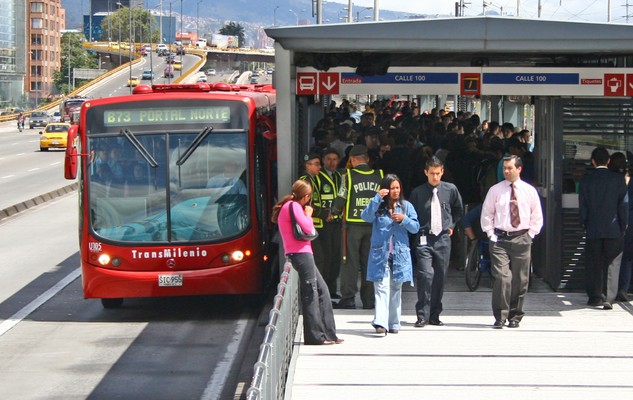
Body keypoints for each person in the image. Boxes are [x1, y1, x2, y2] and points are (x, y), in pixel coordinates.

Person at [271, 179, 343, 345]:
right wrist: (308, 214)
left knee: (322, 290)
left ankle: (329, 333)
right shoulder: (293, 206)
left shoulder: (288, 206)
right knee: (312, 292)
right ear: (305, 196)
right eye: (309, 198)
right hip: (301, 253)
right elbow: (308, 228)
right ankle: (315, 337)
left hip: (300, 253)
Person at [481, 155, 543, 328]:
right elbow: (487, 213)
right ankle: (500, 316)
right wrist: (490, 234)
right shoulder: (495, 190)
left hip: (522, 238)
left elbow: (536, 215)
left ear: (519, 169)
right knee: (502, 277)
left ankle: (515, 315)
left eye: (510, 168)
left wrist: (530, 234)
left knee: (521, 279)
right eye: (504, 168)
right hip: (500, 239)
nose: (506, 171)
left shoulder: (529, 191)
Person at [361, 174, 419, 335]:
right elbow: (365, 217)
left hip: (400, 254)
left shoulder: (406, 206)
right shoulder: (379, 207)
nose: (395, 191)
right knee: (381, 286)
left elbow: (415, 227)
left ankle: (394, 323)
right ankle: (380, 322)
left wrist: (404, 219)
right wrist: (377, 198)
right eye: (392, 188)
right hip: (381, 253)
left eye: (397, 188)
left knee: (396, 288)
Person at [409, 156, 463, 327]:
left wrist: (452, 225)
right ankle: (422, 314)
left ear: (442, 172)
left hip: (442, 238)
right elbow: (412, 214)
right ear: (426, 173)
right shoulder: (417, 192)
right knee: (425, 275)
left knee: (440, 276)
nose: (435, 177)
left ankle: (434, 314)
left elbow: (458, 209)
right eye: (431, 173)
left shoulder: (450, 189)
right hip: (424, 237)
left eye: (438, 173)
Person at [335, 144, 384, 309]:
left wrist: (333, 212)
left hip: (352, 225)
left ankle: (348, 299)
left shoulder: (347, 175)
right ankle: (369, 300)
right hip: (374, 225)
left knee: (349, 263)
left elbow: (341, 196)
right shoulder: (380, 176)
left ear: (352, 159)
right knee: (369, 263)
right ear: (368, 159)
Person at [579, 147, 628, 310]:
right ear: (608, 161)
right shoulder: (618, 179)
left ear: (593, 161)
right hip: (614, 227)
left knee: (594, 261)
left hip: (593, 227)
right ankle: (608, 297)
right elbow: (623, 205)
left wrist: (584, 223)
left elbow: (583, 206)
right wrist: (624, 224)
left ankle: (594, 296)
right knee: (613, 261)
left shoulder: (586, 180)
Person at [318, 148, 344, 298]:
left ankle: (332, 290)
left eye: (335, 159)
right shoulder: (319, 177)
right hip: (324, 223)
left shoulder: (341, 176)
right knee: (326, 257)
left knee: (336, 257)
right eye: (328, 159)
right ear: (323, 160)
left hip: (338, 223)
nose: (332, 162)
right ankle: (325, 290)